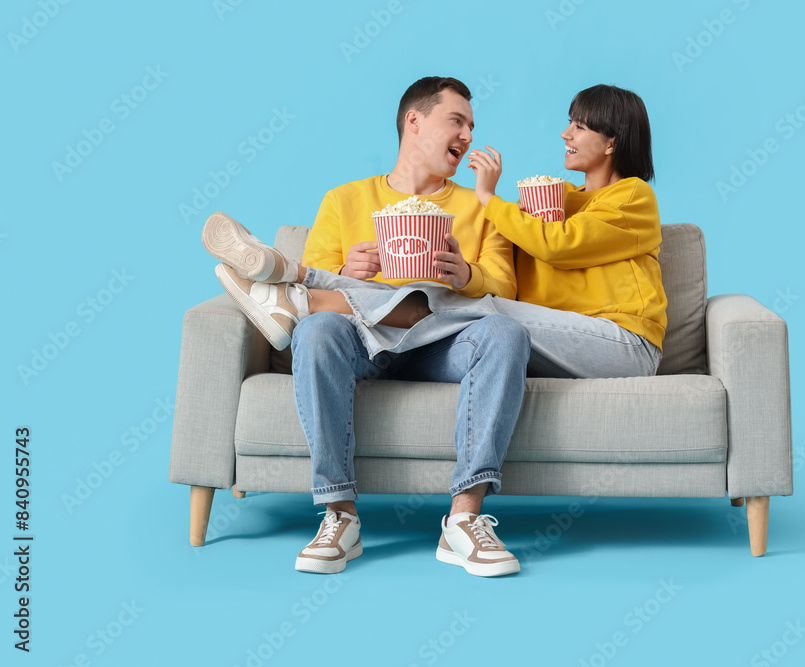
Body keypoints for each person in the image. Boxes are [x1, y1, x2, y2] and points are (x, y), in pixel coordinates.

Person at [202, 76, 528, 578]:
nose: (466, 137)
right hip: (366, 343)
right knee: (315, 330)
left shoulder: (479, 207)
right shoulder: (345, 200)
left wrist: (466, 275)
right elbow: (327, 318)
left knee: (506, 332)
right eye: (456, 121)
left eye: (470, 126)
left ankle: (464, 520)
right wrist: (349, 274)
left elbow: (505, 294)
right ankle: (340, 514)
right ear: (414, 122)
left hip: (443, 344)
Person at [464, 84, 667, 379]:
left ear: (611, 143)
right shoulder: (560, 199)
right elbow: (522, 248)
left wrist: (488, 197)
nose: (566, 134)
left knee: (482, 312)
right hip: (559, 334)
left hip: (627, 342)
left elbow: (559, 245)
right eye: (569, 122)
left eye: (580, 126)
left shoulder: (633, 196)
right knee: (476, 318)